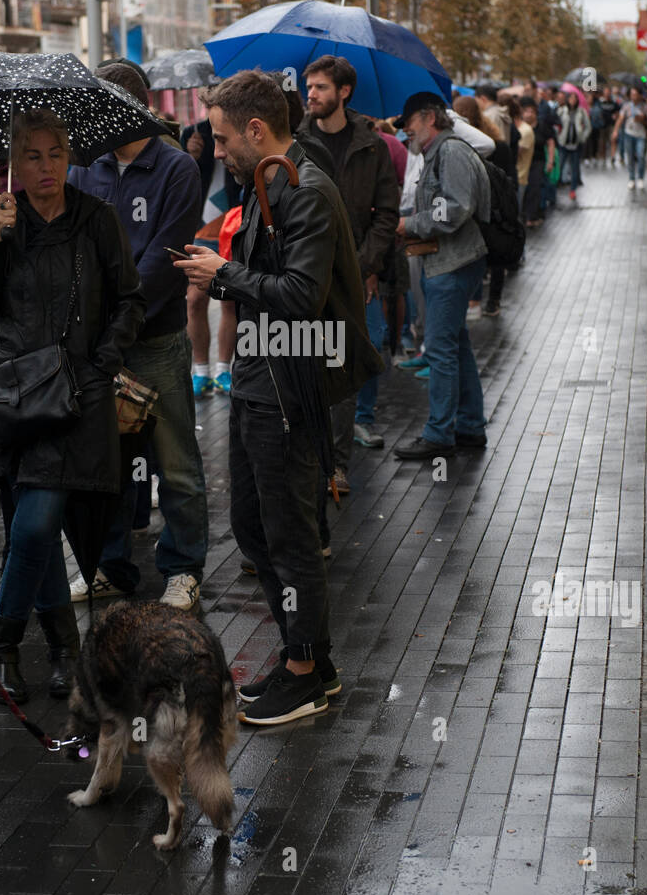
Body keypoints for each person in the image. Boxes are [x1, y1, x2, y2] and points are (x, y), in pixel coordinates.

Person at [174, 70, 381, 726]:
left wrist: (223, 274)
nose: (215, 149)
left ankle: (302, 672)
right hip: (260, 378)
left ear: (256, 131)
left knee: (287, 531)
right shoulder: (269, 184)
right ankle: (307, 656)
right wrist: (228, 270)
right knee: (251, 524)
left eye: (222, 136)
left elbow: (299, 296)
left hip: (291, 386)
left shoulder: (305, 191)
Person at [0, 108, 146, 702]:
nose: (46, 167)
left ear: (70, 157)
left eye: (56, 153)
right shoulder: (3, 220)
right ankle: (42, 647)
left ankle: (24, 648)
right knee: (34, 525)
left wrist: (102, 365)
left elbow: (130, 301)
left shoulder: (97, 219)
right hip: (18, 397)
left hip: (81, 396)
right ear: (14, 160)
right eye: (33, 155)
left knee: (35, 526)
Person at [67, 59, 208, 611]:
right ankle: (108, 565)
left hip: (155, 340)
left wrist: (113, 320)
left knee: (176, 463)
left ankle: (184, 566)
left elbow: (163, 258)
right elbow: (76, 248)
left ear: (131, 108)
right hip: (102, 344)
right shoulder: (87, 168)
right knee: (109, 463)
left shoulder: (176, 170)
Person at [298, 56, 398, 482]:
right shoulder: (296, 140)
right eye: (309, 87)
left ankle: (336, 464)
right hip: (305, 270)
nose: (311, 95)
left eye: (320, 87)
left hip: (356, 273)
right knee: (307, 364)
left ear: (344, 92)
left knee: (345, 363)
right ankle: (310, 459)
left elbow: (386, 213)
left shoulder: (370, 143)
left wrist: (364, 265)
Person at [393, 91, 490, 462]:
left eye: (409, 124)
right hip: (449, 263)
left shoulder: (450, 152)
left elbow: (455, 208)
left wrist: (409, 223)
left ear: (429, 118)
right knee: (455, 346)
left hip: (452, 264)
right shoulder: (442, 152)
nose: (406, 132)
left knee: (439, 350)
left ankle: (439, 434)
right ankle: (469, 426)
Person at [180, 117, 240, 395]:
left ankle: (223, 369)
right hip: (202, 226)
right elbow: (185, 177)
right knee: (194, 300)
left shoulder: (240, 129)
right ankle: (201, 371)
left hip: (232, 225)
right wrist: (189, 151)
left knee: (229, 301)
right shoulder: (196, 131)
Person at [453, 96, 511, 318]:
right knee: (492, 254)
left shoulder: (466, 144)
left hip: (479, 207)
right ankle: (490, 301)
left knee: (475, 255)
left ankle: (475, 301)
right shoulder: (496, 141)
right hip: (494, 207)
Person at [519, 97, 555, 225]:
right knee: (524, 188)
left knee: (535, 187)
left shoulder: (542, 126)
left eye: (531, 111)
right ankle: (523, 213)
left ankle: (531, 216)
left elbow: (550, 142)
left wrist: (551, 161)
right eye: (526, 111)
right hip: (523, 163)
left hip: (537, 161)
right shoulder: (520, 127)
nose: (529, 114)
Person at [612, 85, 647, 190]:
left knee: (640, 155)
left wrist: (643, 119)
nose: (634, 96)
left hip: (641, 135)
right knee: (629, 157)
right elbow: (620, 118)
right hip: (629, 134)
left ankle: (641, 178)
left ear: (639, 95)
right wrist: (615, 131)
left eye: (636, 94)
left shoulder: (644, 106)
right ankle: (631, 178)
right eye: (632, 94)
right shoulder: (626, 106)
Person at [557, 91, 591, 202]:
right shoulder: (562, 111)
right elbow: (556, 124)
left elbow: (588, 126)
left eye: (574, 98)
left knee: (575, 168)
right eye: (570, 98)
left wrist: (583, 137)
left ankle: (572, 190)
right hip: (564, 144)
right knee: (560, 166)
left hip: (576, 144)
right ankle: (556, 187)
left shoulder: (581, 112)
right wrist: (559, 136)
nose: (572, 100)